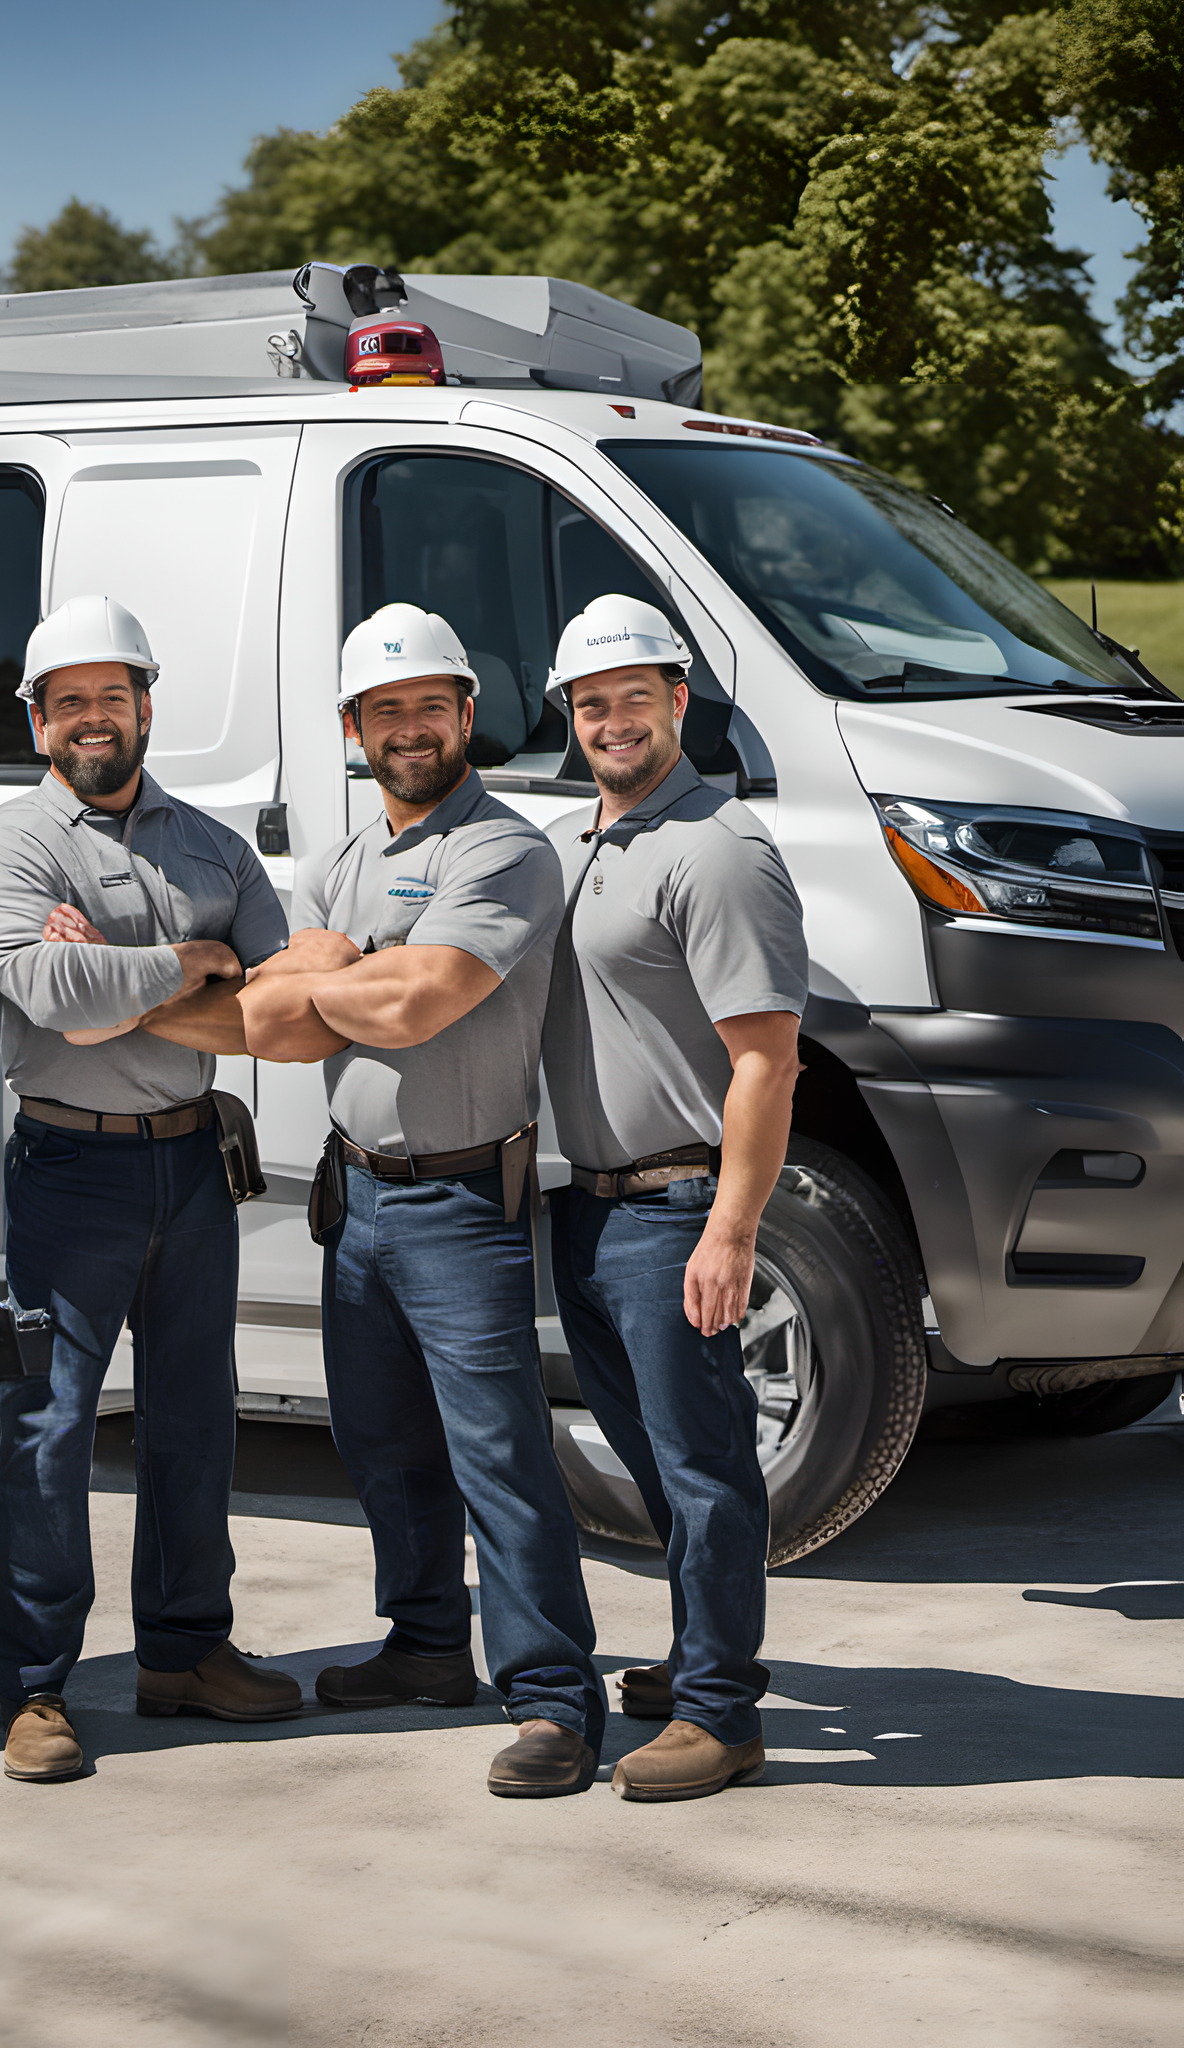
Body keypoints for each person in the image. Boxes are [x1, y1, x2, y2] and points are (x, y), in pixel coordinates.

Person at [240, 602, 605, 1799]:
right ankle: (427, 1644)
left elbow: (416, 1003)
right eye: (385, 709)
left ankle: (551, 1694)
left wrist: (337, 968)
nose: (410, 728)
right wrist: (338, 969)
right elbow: (283, 1030)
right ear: (352, 727)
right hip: (356, 1199)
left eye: (430, 705)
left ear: (467, 715)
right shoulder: (337, 861)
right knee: (383, 1447)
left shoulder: (502, 850)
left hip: (457, 1198)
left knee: (497, 1454)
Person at [0, 594, 302, 1784]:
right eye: (68, 701)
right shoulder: (13, 842)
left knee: (192, 1417)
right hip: (70, 1166)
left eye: (113, 694)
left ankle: (182, 1650)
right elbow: (47, 995)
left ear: (145, 706)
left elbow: (277, 1004)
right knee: (50, 1427)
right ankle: (37, 1687)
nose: (92, 718)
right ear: (37, 722)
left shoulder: (211, 844)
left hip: (190, 1158)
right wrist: (186, 960)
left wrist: (116, 974)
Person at [540, 593, 806, 1802]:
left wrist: (729, 1226)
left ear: (677, 701)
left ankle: (721, 1710)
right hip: (587, 1207)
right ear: (567, 713)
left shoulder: (715, 845)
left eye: (633, 695)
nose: (611, 719)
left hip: (672, 1206)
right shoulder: (580, 841)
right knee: (652, 1462)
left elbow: (765, 1058)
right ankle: (699, 1651)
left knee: (704, 1467)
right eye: (590, 701)